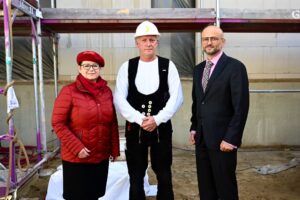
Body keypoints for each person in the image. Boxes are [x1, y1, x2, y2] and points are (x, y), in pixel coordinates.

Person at [114, 21, 183, 200]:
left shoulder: (169, 66)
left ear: (157, 42)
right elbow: (119, 98)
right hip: (135, 130)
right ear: (137, 43)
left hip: (161, 128)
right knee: (135, 175)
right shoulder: (126, 67)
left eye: (152, 39)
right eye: (144, 40)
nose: (148, 43)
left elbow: (177, 98)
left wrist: (157, 120)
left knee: (164, 174)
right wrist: (139, 119)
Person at [189, 25, 249, 200]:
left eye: (214, 38)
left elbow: (241, 106)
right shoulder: (198, 69)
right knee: (206, 188)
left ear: (222, 42)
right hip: (202, 139)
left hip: (223, 141)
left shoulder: (235, 67)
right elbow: (197, 102)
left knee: (225, 187)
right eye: (205, 39)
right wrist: (194, 128)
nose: (209, 42)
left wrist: (231, 138)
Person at [52, 51, 120, 200]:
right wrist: (77, 148)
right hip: (78, 158)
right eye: (86, 65)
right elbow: (58, 123)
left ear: (100, 68)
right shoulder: (69, 91)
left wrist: (114, 149)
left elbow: (112, 122)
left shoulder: (106, 92)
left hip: (100, 156)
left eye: (95, 65)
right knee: (77, 195)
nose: (91, 69)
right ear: (79, 68)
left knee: (95, 194)